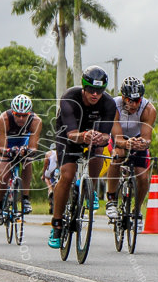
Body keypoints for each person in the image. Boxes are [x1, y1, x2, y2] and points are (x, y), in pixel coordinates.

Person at [49, 66, 122, 248]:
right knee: (67, 175)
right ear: (84, 87)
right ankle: (56, 225)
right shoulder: (69, 98)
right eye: (90, 89)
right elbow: (72, 134)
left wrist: (99, 137)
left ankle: (92, 188)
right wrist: (83, 136)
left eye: (99, 90)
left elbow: (106, 136)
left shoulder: (109, 104)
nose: (95, 94)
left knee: (99, 149)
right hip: (69, 134)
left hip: (92, 136)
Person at [105, 76, 157, 220]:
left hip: (137, 137)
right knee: (118, 155)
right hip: (118, 138)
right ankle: (111, 201)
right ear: (123, 97)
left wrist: (143, 143)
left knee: (143, 176)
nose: (134, 105)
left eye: (137, 100)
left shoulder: (148, 109)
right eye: (130, 100)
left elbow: (147, 137)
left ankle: (137, 209)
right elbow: (117, 139)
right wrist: (126, 144)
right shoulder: (113, 106)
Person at [0, 94, 42, 222]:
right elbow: (2, 148)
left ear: (29, 114)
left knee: (27, 161)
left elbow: (33, 147)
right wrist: (9, 151)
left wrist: (27, 151)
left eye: (24, 115)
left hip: (23, 143)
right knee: (3, 174)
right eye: (17, 115)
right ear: (12, 112)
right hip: (6, 144)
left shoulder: (36, 121)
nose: (20, 118)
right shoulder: (3, 119)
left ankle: (25, 198)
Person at [42, 145, 59, 214]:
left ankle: (50, 189)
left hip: (52, 168)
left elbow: (46, 164)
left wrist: (43, 174)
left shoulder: (48, 153)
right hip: (60, 168)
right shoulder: (61, 151)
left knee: (46, 177)